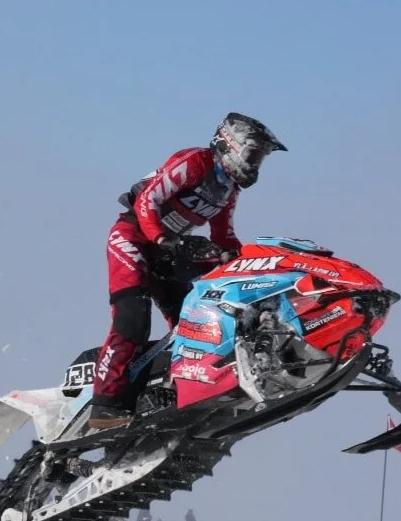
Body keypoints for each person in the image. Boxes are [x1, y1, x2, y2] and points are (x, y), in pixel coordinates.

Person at [89, 113, 287, 429]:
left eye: (260, 159)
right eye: (253, 153)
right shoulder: (195, 162)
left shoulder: (229, 189)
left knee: (196, 318)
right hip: (134, 237)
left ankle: (177, 386)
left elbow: (223, 236)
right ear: (231, 144)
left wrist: (245, 261)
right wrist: (163, 238)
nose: (255, 164)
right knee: (133, 319)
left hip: (169, 250)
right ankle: (105, 405)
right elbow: (146, 202)